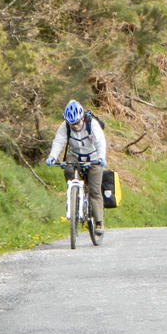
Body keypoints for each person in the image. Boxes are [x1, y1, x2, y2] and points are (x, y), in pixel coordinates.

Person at [46, 99, 107, 237]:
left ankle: (99, 222)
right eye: (72, 124)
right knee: (68, 169)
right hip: (75, 155)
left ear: (82, 118)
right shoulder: (65, 126)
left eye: (78, 123)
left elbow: (100, 142)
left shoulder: (93, 124)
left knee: (95, 191)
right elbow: (59, 141)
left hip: (93, 156)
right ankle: (74, 195)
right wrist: (53, 156)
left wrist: (101, 157)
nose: (76, 126)